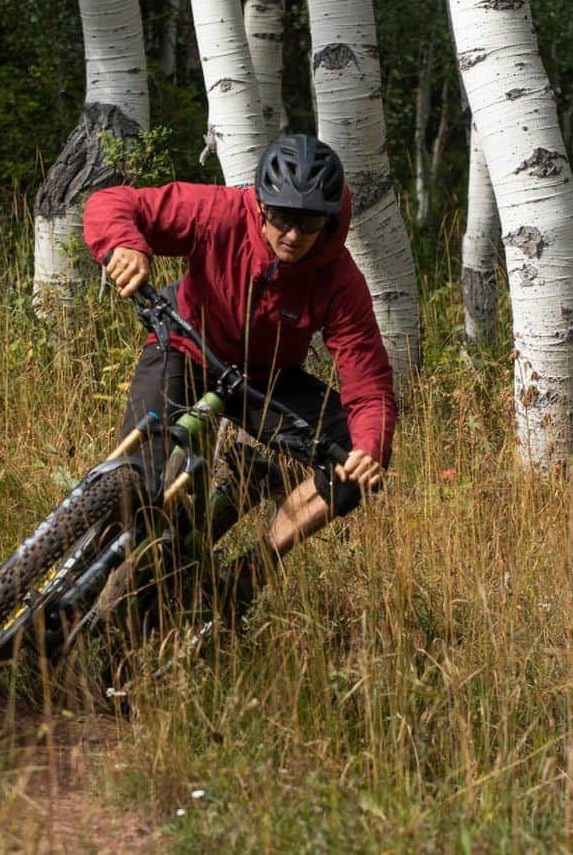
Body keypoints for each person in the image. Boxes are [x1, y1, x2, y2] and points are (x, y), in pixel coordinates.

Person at [83, 133, 395, 617]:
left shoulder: (340, 280)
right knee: (135, 482)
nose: (292, 234)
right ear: (261, 205)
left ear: (329, 219)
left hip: (265, 378)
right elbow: (114, 202)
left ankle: (247, 576)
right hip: (186, 346)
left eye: (309, 221)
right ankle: (89, 587)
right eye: (282, 217)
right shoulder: (219, 212)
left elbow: (369, 382)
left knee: (350, 461)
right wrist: (125, 245)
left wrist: (369, 448)